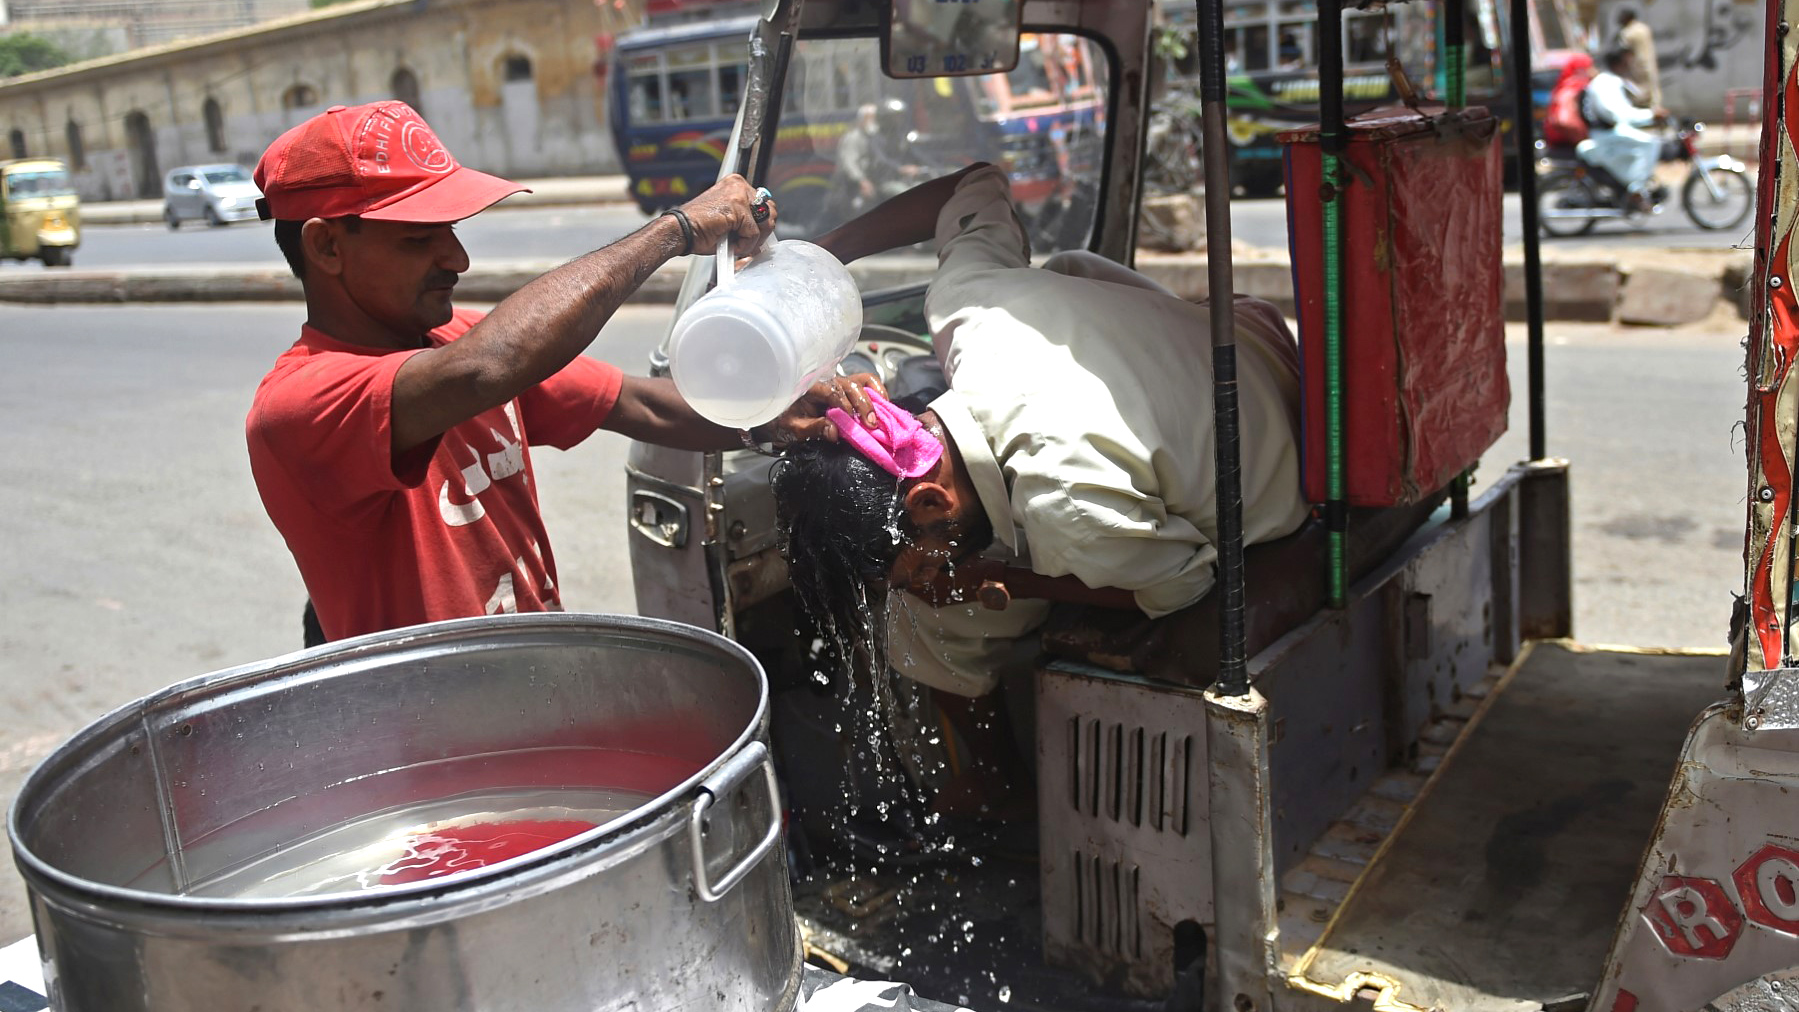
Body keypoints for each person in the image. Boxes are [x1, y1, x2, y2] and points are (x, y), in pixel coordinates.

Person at [772, 163, 1310, 814]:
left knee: (926, 620)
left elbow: (1183, 587)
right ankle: (995, 780)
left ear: (930, 500)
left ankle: (1004, 790)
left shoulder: (1068, 504)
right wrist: (819, 260)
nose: (918, 581)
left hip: (1288, 451)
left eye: (909, 569)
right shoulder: (965, 304)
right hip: (1239, 339)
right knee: (1068, 267)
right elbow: (970, 185)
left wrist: (1014, 583)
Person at [246, 101, 843, 644]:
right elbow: (488, 367)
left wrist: (777, 413)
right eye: (419, 239)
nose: (456, 258)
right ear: (326, 248)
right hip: (435, 744)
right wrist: (676, 230)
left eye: (451, 231)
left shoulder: (453, 345)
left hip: (540, 688)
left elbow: (638, 404)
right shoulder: (303, 403)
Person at [1582, 47, 1668, 208]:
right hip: (1605, 135)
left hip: (1610, 131)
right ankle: (1636, 191)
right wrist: (1650, 115)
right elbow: (1617, 114)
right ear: (1618, 64)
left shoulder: (1612, 81)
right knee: (1651, 143)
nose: (1630, 66)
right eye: (1627, 62)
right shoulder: (1606, 83)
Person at [1542, 52, 1595, 148]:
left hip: (1556, 142)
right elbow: (1564, 120)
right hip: (1573, 143)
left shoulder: (1562, 86)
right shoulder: (1576, 86)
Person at [1617, 9, 1661, 109]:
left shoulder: (1627, 32)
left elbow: (1624, 49)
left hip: (1637, 64)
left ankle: (1645, 111)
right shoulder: (1644, 28)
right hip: (1650, 62)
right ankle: (1656, 109)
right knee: (1653, 88)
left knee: (1640, 89)